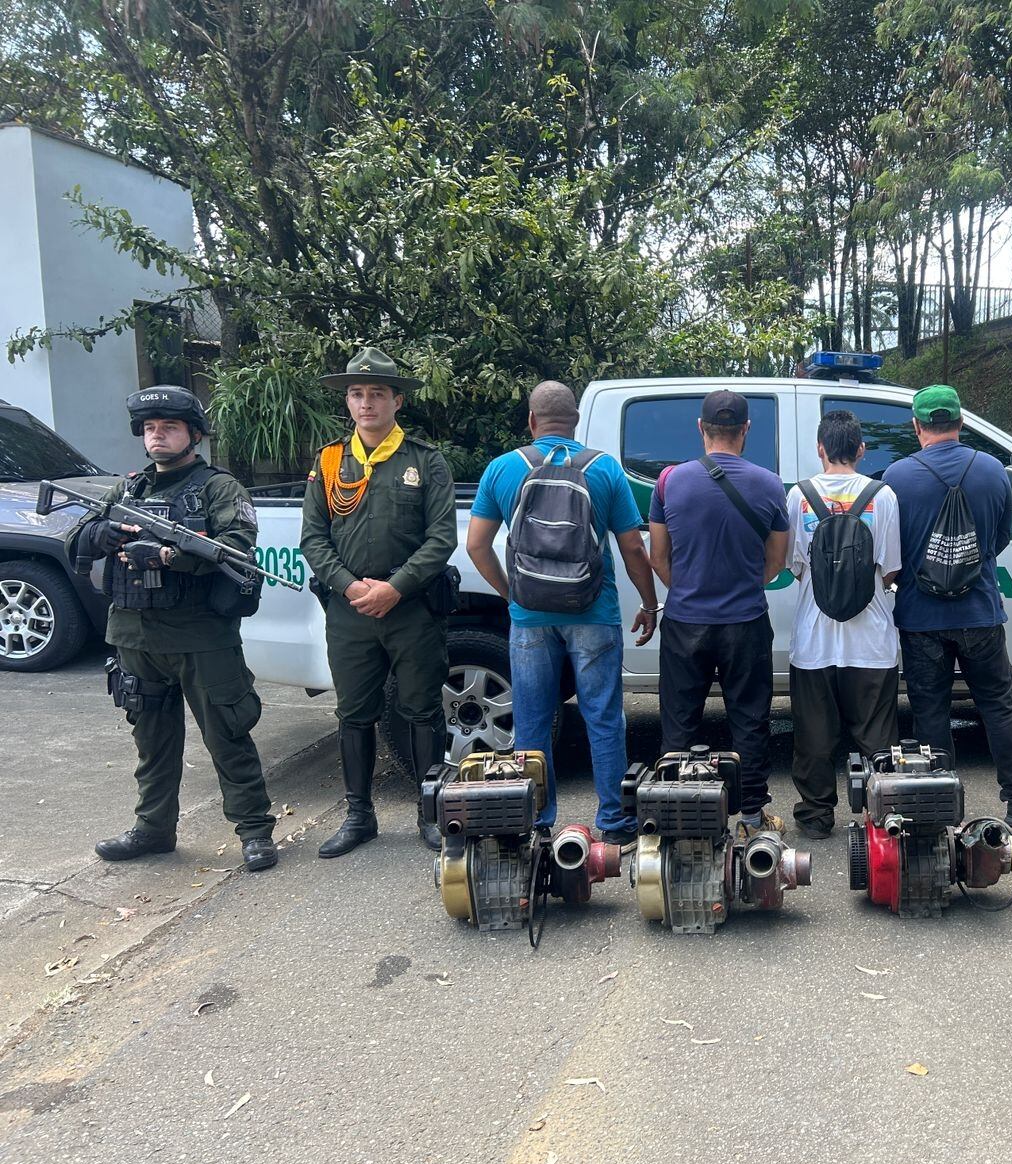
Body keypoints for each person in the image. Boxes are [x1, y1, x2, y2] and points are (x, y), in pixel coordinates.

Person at [84, 387, 277, 871]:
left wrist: (170, 555)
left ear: (193, 434)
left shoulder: (218, 488)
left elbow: (237, 546)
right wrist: (97, 534)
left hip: (200, 638)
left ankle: (254, 831)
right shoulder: (127, 489)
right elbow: (75, 541)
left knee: (228, 736)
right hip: (134, 636)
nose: (158, 435)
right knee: (151, 742)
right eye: (150, 428)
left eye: (169, 427)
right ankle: (153, 829)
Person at [465, 381, 659, 848]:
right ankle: (613, 823)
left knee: (532, 720)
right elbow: (633, 546)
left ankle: (536, 821)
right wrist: (650, 604)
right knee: (604, 718)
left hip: (530, 616)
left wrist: (512, 593)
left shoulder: (503, 468)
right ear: (574, 421)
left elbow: (476, 544)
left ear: (532, 421)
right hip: (594, 611)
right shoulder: (604, 469)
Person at [300, 348, 457, 857]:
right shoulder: (329, 462)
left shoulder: (425, 461)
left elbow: (441, 538)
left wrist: (396, 588)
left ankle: (429, 813)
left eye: (376, 393)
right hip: (350, 612)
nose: (366, 403)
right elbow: (313, 538)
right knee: (354, 713)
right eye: (356, 393)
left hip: (410, 608)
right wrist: (349, 586)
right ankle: (358, 815)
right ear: (348, 401)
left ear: (397, 401)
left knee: (422, 710)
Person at [882, 384, 1012, 829]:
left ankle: (939, 806)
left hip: (921, 618)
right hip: (980, 612)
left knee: (930, 710)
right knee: (998, 703)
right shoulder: (993, 471)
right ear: (959, 423)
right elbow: (998, 541)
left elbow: (893, 556)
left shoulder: (896, 478)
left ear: (917, 427)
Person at [648, 390, 789, 835]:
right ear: (746, 429)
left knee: (680, 721)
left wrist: (689, 589)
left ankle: (681, 816)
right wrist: (741, 585)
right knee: (749, 720)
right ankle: (750, 817)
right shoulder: (769, 484)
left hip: (685, 620)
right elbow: (777, 562)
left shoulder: (668, 481)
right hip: (745, 621)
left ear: (700, 427)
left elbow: (658, 557)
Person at [785, 410, 902, 839]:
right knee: (876, 735)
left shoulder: (798, 497)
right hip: (871, 640)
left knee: (814, 736)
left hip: (813, 640)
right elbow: (890, 569)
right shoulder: (882, 495)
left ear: (820, 449)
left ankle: (816, 815)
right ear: (861, 450)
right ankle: (882, 816)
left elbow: (796, 565)